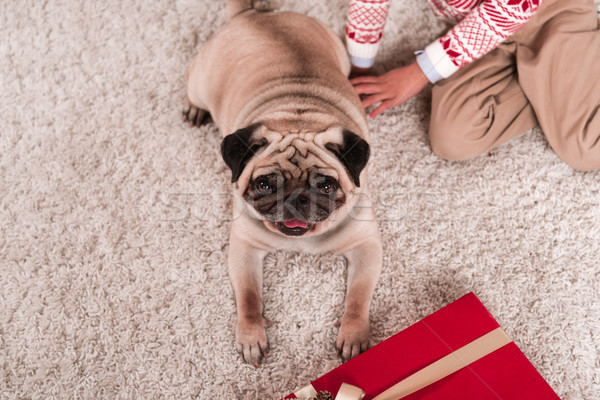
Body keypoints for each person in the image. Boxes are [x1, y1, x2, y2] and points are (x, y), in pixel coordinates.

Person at [345, 0, 600, 171]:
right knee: (453, 137)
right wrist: (360, 66)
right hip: (481, 28)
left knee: (586, 148)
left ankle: (565, 65)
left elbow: (518, 5)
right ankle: (543, 76)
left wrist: (420, 71)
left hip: (549, 15)